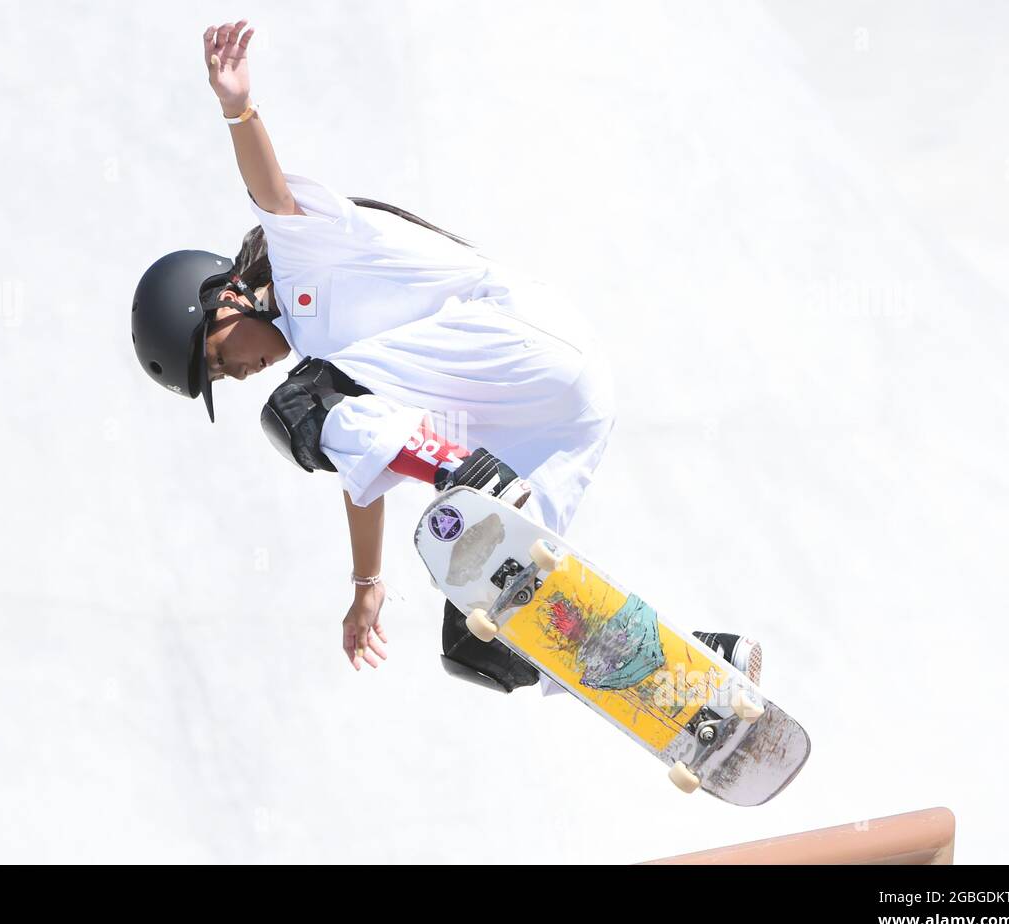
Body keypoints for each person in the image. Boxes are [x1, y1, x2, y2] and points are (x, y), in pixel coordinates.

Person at [130, 20, 760, 693]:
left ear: (225, 297)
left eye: (222, 358)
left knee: (299, 409)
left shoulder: (299, 257)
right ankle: (685, 674)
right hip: (560, 415)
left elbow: (269, 189)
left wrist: (236, 106)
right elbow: (359, 467)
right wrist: (367, 584)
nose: (242, 373)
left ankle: (474, 480)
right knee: (485, 637)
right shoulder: (334, 373)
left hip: (522, 341)